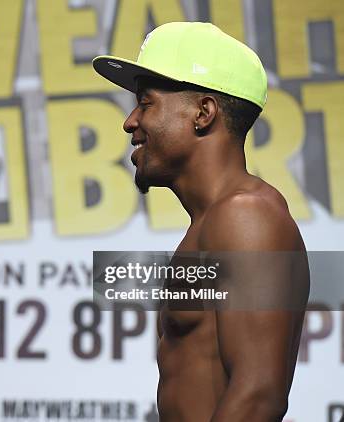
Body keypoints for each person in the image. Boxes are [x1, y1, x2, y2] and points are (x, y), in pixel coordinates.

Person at [93, 22, 309, 421]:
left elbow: (259, 396)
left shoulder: (247, 216)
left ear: (203, 113)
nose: (130, 121)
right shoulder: (211, 223)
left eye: (146, 102)